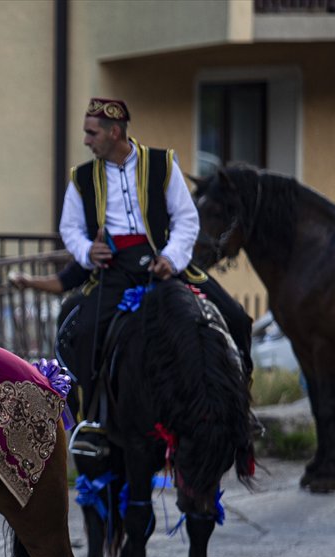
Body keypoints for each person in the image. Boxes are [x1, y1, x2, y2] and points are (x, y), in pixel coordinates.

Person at [56, 97, 251, 421]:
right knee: (82, 330)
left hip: (166, 265)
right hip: (114, 271)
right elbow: (70, 228)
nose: (86, 141)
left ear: (114, 132)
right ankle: (90, 421)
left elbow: (187, 219)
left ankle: (240, 410)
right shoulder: (82, 178)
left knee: (236, 317)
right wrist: (87, 251)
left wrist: (171, 258)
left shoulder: (162, 164)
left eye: (92, 133)